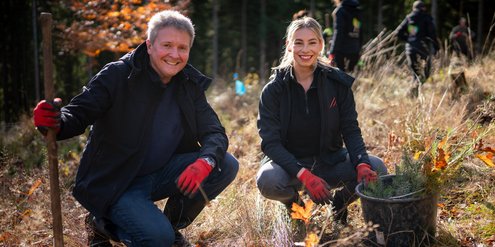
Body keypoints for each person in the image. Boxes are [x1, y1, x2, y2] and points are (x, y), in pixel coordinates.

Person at [33, 10, 238, 247]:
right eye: (167, 45)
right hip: (117, 181)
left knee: (225, 164)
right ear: (149, 45)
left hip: (159, 174)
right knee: (156, 240)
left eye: (182, 48)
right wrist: (53, 120)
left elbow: (214, 132)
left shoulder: (188, 84)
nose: (175, 54)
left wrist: (206, 162)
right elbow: (77, 115)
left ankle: (170, 227)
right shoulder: (119, 75)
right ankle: (102, 223)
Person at [256, 16, 387, 225]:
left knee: (376, 167)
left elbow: (350, 129)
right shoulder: (274, 90)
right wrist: (305, 175)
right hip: (291, 167)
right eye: (298, 42)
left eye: (312, 42)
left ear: (321, 45)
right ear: (288, 45)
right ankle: (295, 207)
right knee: (267, 180)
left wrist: (361, 163)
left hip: (330, 160)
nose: (305, 49)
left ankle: (339, 205)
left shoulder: (337, 83)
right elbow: (270, 143)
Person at [395, 1, 439, 97]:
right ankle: (414, 92)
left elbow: (398, 32)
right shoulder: (426, 17)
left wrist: (408, 40)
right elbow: (432, 34)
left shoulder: (409, 17)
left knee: (415, 73)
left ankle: (413, 94)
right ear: (423, 8)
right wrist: (436, 47)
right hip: (422, 49)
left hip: (410, 49)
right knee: (426, 72)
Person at [328, 0, 364, 72]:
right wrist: (359, 50)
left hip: (341, 51)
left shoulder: (340, 11)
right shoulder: (358, 11)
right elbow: (360, 33)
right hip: (355, 50)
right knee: (350, 78)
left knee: (339, 77)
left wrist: (332, 51)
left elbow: (338, 32)